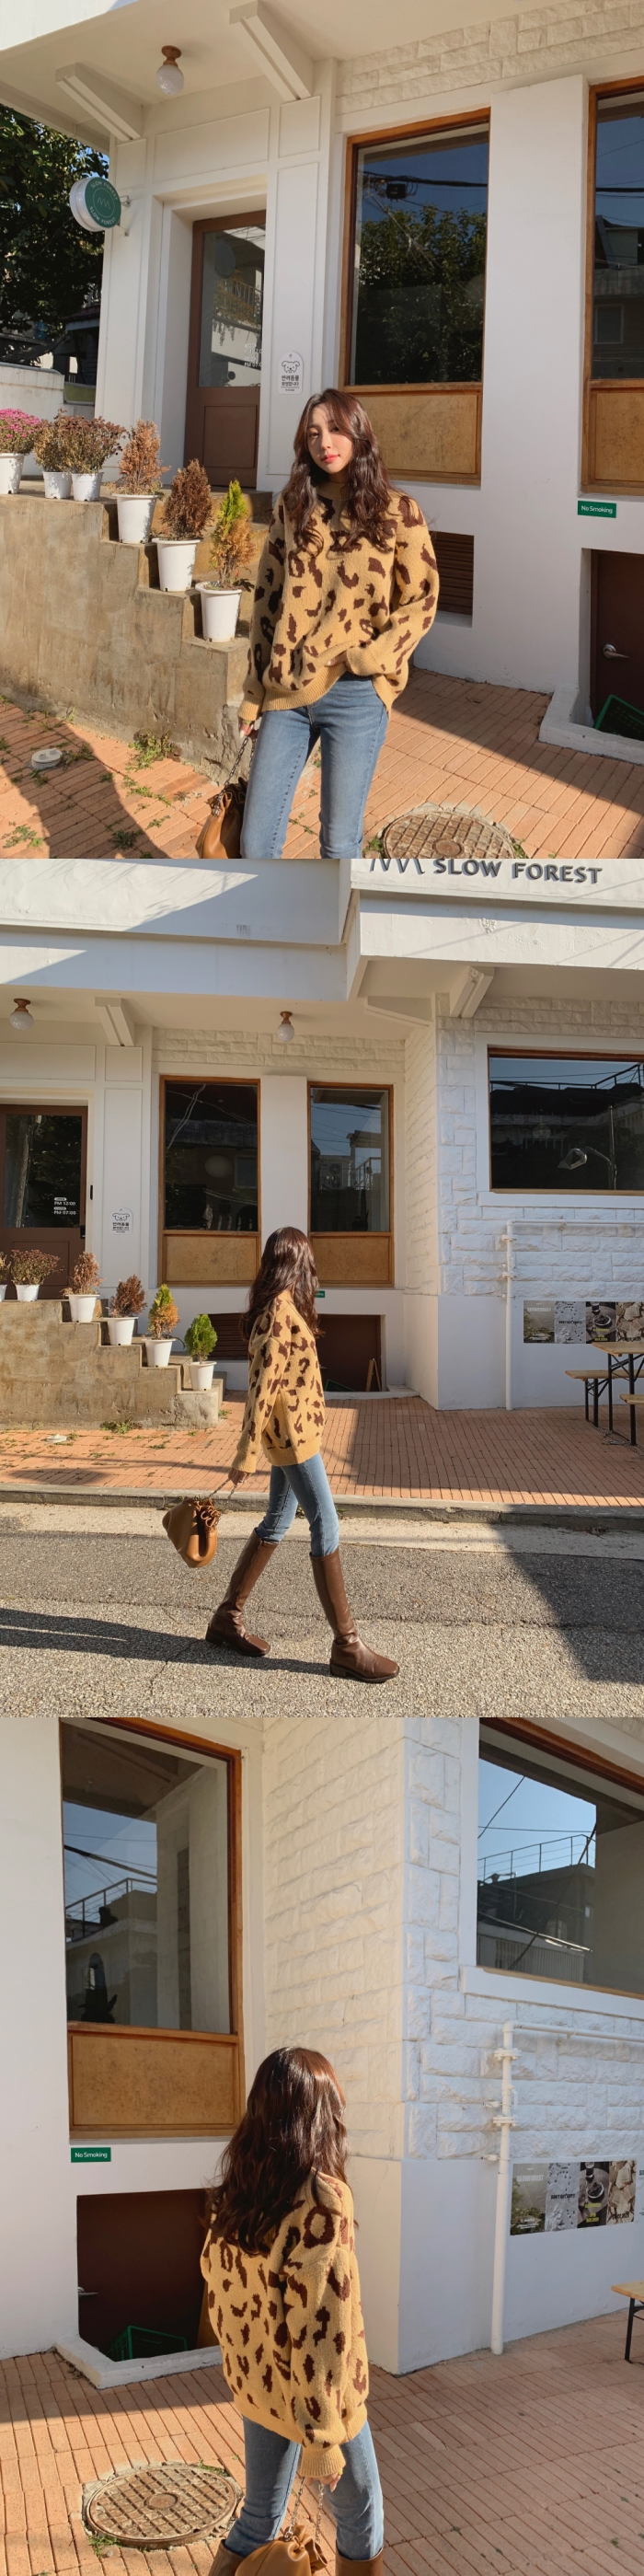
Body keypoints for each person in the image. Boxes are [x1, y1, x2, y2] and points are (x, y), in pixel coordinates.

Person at [203, 2046, 383, 2576]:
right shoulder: (321, 2201)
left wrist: (249, 2374)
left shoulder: (237, 2193)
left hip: (260, 2389)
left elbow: (219, 2290)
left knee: (260, 2515)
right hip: (322, 2403)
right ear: (321, 2116)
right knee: (362, 2515)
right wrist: (323, 2439)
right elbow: (323, 2332)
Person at [238, 387, 439, 861]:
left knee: (339, 844)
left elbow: (422, 600)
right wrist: (252, 695)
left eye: (334, 429)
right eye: (313, 433)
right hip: (287, 689)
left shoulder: (398, 511)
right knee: (255, 843)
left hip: (356, 695)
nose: (324, 442)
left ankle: (336, 914)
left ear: (359, 432)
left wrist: (371, 661)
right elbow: (267, 603)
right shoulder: (293, 507)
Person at [206, 1225, 397, 1681]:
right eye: (307, 1259)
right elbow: (262, 1388)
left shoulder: (285, 1306)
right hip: (292, 1441)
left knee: (277, 1520)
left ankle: (227, 1618)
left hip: (295, 1436)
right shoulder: (278, 1312)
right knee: (326, 1522)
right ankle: (347, 1646)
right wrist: (245, 1453)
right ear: (296, 1263)